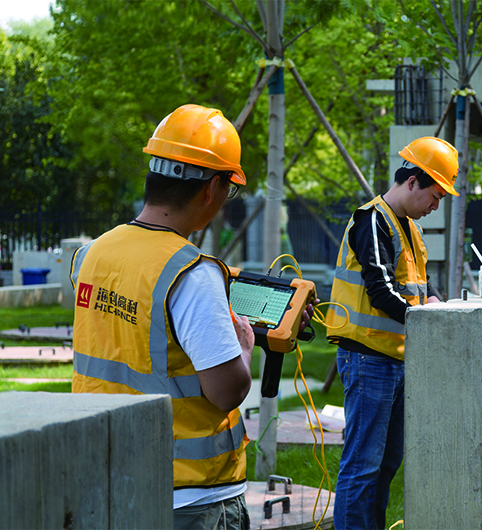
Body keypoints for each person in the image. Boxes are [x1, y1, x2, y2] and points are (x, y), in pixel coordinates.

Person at [70, 104, 312, 530]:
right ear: (211, 188)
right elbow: (226, 392)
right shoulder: (192, 274)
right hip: (189, 496)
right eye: (228, 189)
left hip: (105, 473)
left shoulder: (92, 254)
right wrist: (243, 347)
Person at [325, 136, 459, 529]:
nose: (436, 206)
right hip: (368, 357)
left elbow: (420, 288)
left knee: (384, 464)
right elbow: (381, 292)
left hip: (395, 358)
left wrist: (439, 305)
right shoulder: (372, 219)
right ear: (413, 181)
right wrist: (429, 320)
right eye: (435, 196)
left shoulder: (410, 230)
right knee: (363, 465)